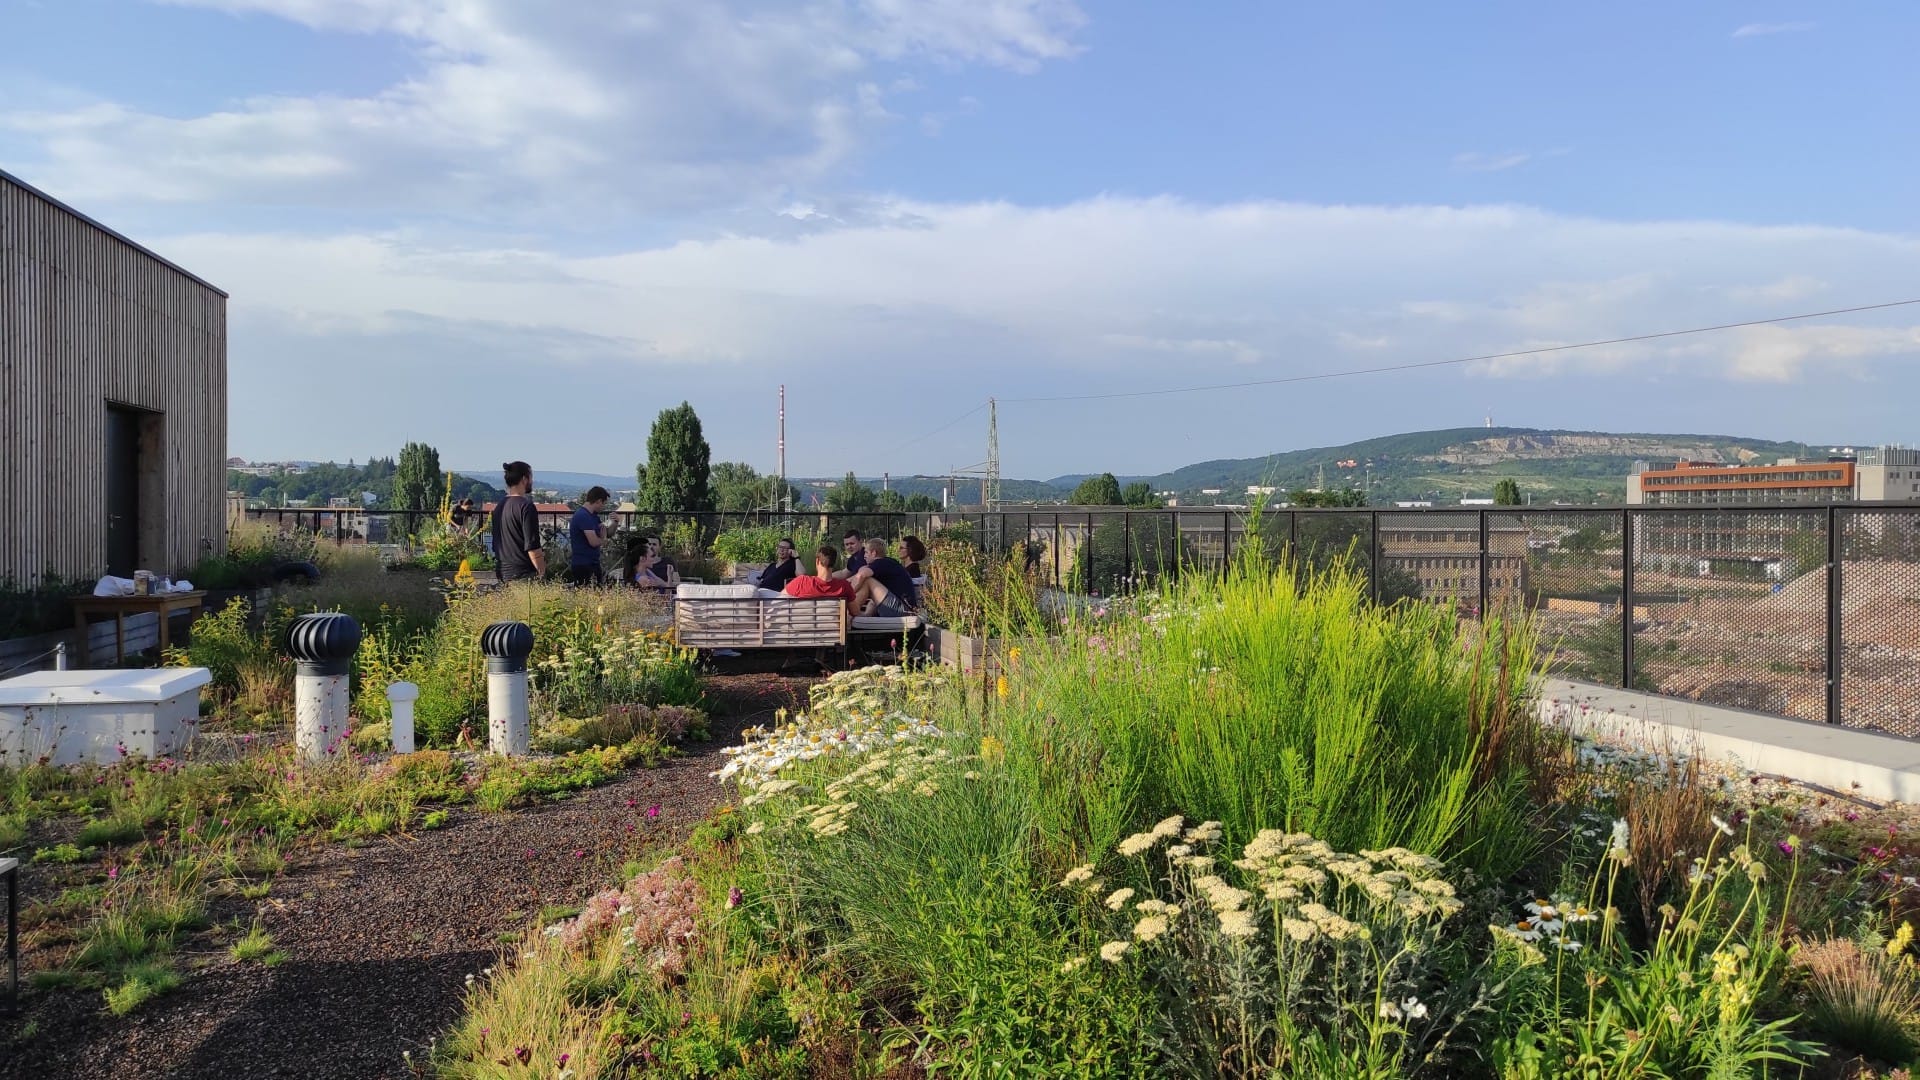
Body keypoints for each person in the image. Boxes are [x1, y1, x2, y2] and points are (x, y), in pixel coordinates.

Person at [491, 461, 545, 583]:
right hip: (523, 575)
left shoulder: (499, 506)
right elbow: (532, 546)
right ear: (524, 479)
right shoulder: (526, 506)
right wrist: (542, 573)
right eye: (531, 478)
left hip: (502, 572)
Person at [850, 537, 917, 617]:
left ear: (874, 553)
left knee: (868, 580)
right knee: (869, 582)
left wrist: (845, 594)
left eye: (866, 552)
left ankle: (849, 613)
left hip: (903, 610)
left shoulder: (881, 563)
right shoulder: (885, 564)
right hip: (901, 608)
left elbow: (861, 575)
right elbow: (856, 577)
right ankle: (855, 614)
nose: (864, 556)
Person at [784, 544, 857, 617]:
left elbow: (779, 600)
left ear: (817, 561)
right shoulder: (844, 587)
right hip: (833, 628)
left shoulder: (801, 582)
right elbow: (855, 612)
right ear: (834, 563)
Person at [566, 486, 611, 585]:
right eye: (603, 504)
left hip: (592, 562)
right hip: (584, 564)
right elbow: (594, 542)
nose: (603, 507)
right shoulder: (583, 516)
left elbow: (605, 531)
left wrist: (615, 523)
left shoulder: (592, 516)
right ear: (598, 501)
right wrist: (603, 540)